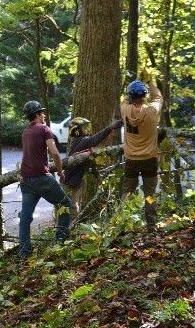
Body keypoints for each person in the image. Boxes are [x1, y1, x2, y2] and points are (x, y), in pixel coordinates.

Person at [18, 100, 72, 259]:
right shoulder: (44, 129)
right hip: (42, 178)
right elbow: (55, 153)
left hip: (26, 180)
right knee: (65, 203)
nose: (44, 115)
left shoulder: (25, 132)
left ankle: (24, 251)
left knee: (25, 217)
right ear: (36, 115)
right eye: (41, 112)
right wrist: (61, 172)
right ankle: (60, 241)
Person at [120, 73, 163, 231]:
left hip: (131, 159)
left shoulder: (124, 109)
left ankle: (123, 221)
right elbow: (158, 97)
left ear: (131, 96)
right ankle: (151, 224)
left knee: (128, 191)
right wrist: (149, 82)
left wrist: (132, 87)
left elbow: (125, 99)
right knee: (150, 193)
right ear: (144, 96)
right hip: (150, 159)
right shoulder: (152, 111)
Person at [63, 117, 124, 221]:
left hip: (74, 180)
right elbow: (95, 139)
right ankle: (66, 228)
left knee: (72, 206)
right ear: (76, 130)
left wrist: (93, 170)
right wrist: (110, 128)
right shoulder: (82, 141)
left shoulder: (78, 141)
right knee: (68, 207)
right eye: (84, 128)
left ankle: (69, 228)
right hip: (68, 180)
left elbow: (86, 160)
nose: (87, 130)